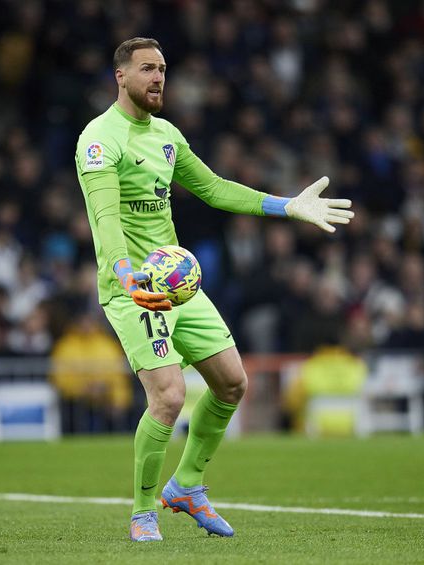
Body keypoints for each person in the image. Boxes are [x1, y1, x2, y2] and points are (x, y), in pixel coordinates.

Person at [75, 37, 354, 542]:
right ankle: (142, 512)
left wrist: (286, 206)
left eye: (162, 69)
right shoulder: (100, 139)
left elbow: (215, 188)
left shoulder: (166, 135)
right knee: (169, 395)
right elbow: (105, 215)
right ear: (120, 76)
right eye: (146, 69)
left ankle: (188, 485)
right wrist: (122, 272)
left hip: (177, 286)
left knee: (232, 383)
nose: (158, 77)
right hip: (134, 291)